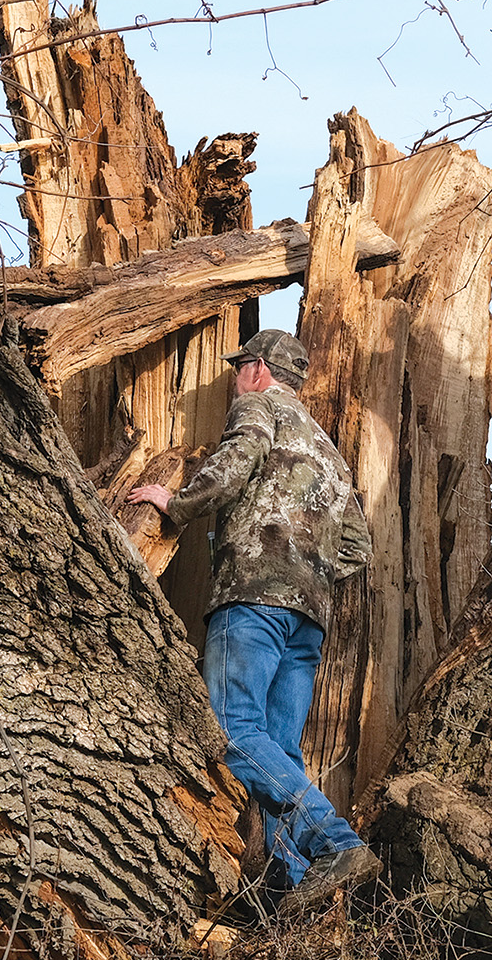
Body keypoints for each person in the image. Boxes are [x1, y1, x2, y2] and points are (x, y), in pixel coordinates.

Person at [128, 327, 380, 910]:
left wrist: (178, 503)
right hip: (308, 617)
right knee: (280, 752)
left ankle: (335, 843)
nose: (236, 378)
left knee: (232, 729)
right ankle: (294, 889)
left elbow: (234, 464)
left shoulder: (258, 407)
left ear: (260, 370)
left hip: (252, 601)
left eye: (241, 368)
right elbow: (358, 548)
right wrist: (304, 570)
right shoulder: (329, 450)